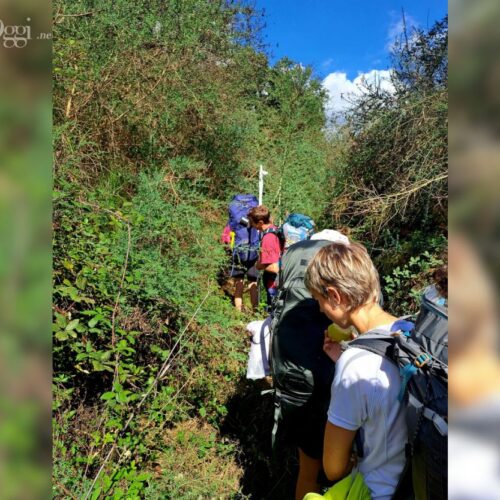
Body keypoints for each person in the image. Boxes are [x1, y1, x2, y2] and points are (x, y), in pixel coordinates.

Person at [304, 241, 407, 500]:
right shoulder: (410, 331)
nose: (320, 309)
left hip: (380, 492)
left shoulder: (356, 366)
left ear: (335, 296)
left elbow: (333, 468)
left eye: (319, 300)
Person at [270, 229, 350, 500]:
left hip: (290, 373)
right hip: (332, 379)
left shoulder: (292, 256)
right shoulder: (346, 270)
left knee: (308, 466)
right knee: (340, 466)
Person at [247, 205, 282, 309]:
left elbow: (274, 267)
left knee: (274, 311)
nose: (251, 225)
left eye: (252, 222)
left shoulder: (268, 237)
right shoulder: (275, 229)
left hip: (274, 283)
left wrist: (258, 266)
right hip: (278, 281)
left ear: (260, 222)